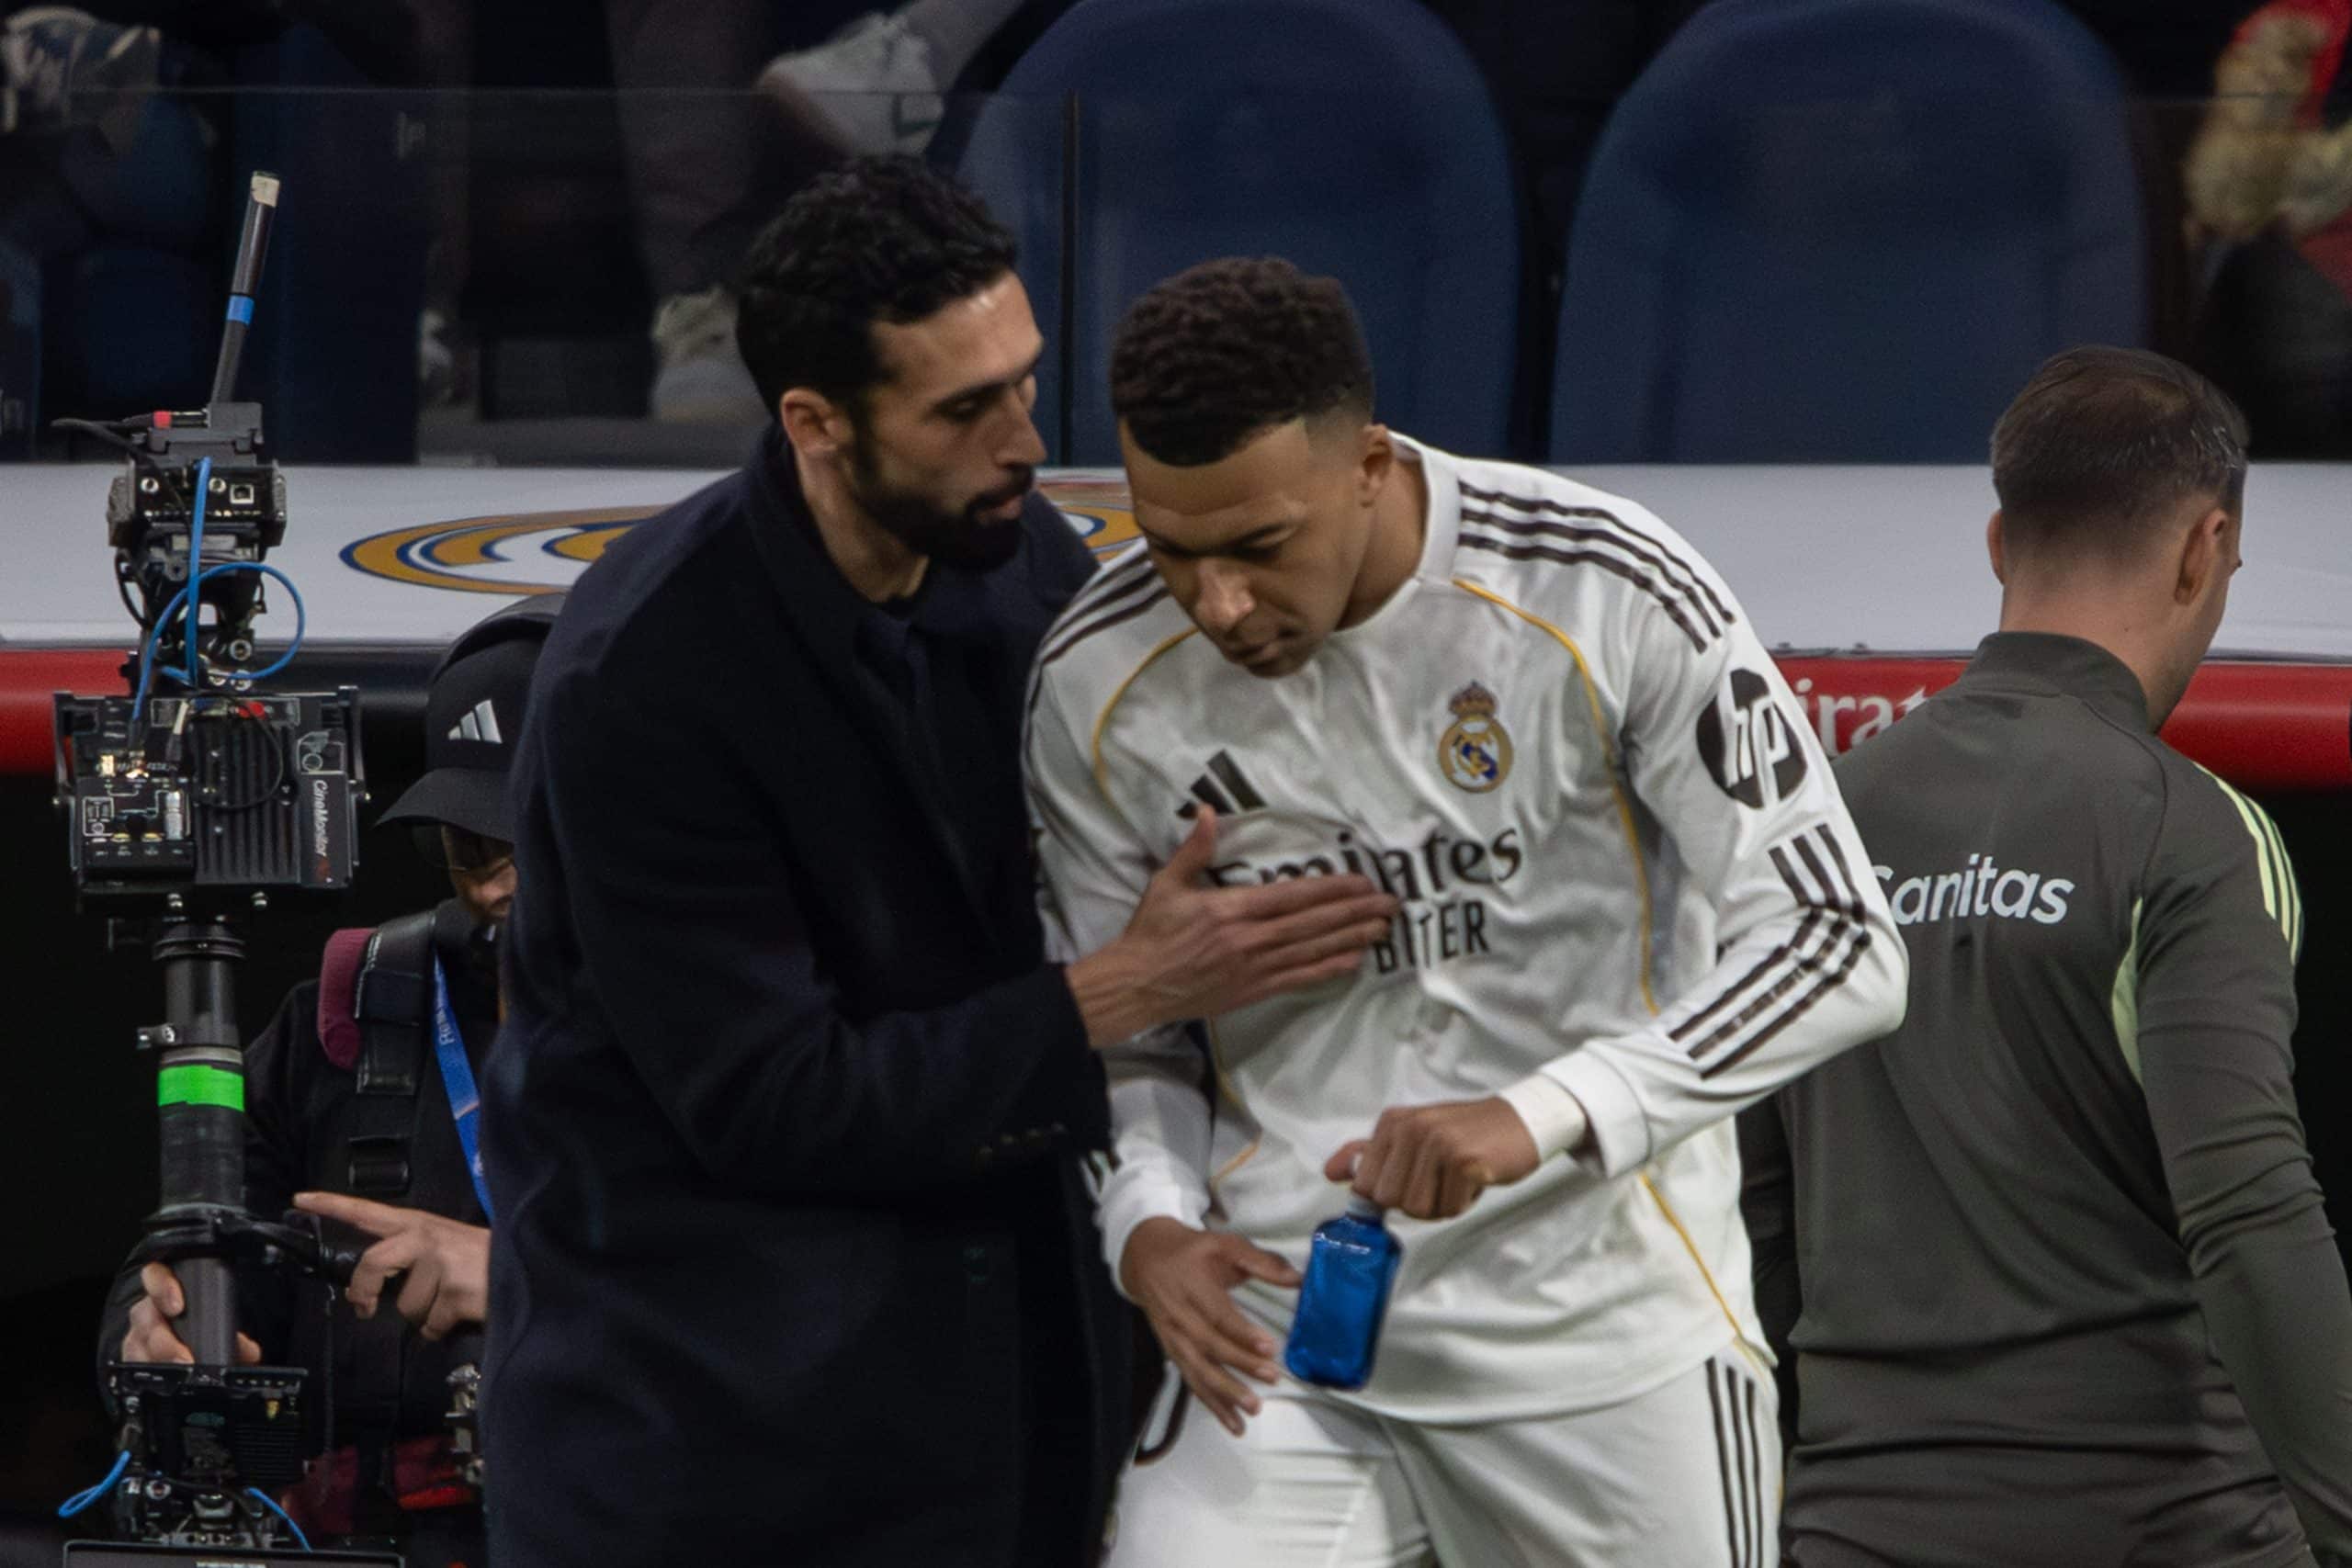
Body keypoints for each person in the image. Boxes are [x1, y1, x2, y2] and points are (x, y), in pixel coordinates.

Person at [480, 158, 1396, 1568]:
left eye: (1024, 382)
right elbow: (774, 1101)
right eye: (965, 410)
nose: (1026, 441)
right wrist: (1124, 987)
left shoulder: (1029, 568)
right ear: (816, 423)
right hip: (710, 1440)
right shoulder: (642, 677)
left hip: (1002, 1401)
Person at [1023, 255, 1908, 1567]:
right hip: (1283, 1330)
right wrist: (1144, 1221)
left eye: (1260, 547)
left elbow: (1840, 940)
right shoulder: (1095, 671)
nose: (1217, 604)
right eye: (1171, 548)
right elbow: (1126, 1033)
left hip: (1600, 1332)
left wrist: (1539, 1112)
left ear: (1369, 465)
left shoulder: (1604, 586)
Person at [1747, 346, 2352, 1567]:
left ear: (1996, 544)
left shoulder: (1806, 827)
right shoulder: (2193, 833)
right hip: (2164, 1529)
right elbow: (2247, 1213)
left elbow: (1753, 1212)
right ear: (2204, 552)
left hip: (1855, 1527)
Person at [98, 596, 558, 1565]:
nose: (493, 884)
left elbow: (807, 1318)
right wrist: (150, 1340)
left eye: (527, 840)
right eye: (470, 844)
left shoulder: (748, 1026)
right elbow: (193, 1244)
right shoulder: (351, 1009)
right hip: (372, 1536)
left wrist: (527, 1279)